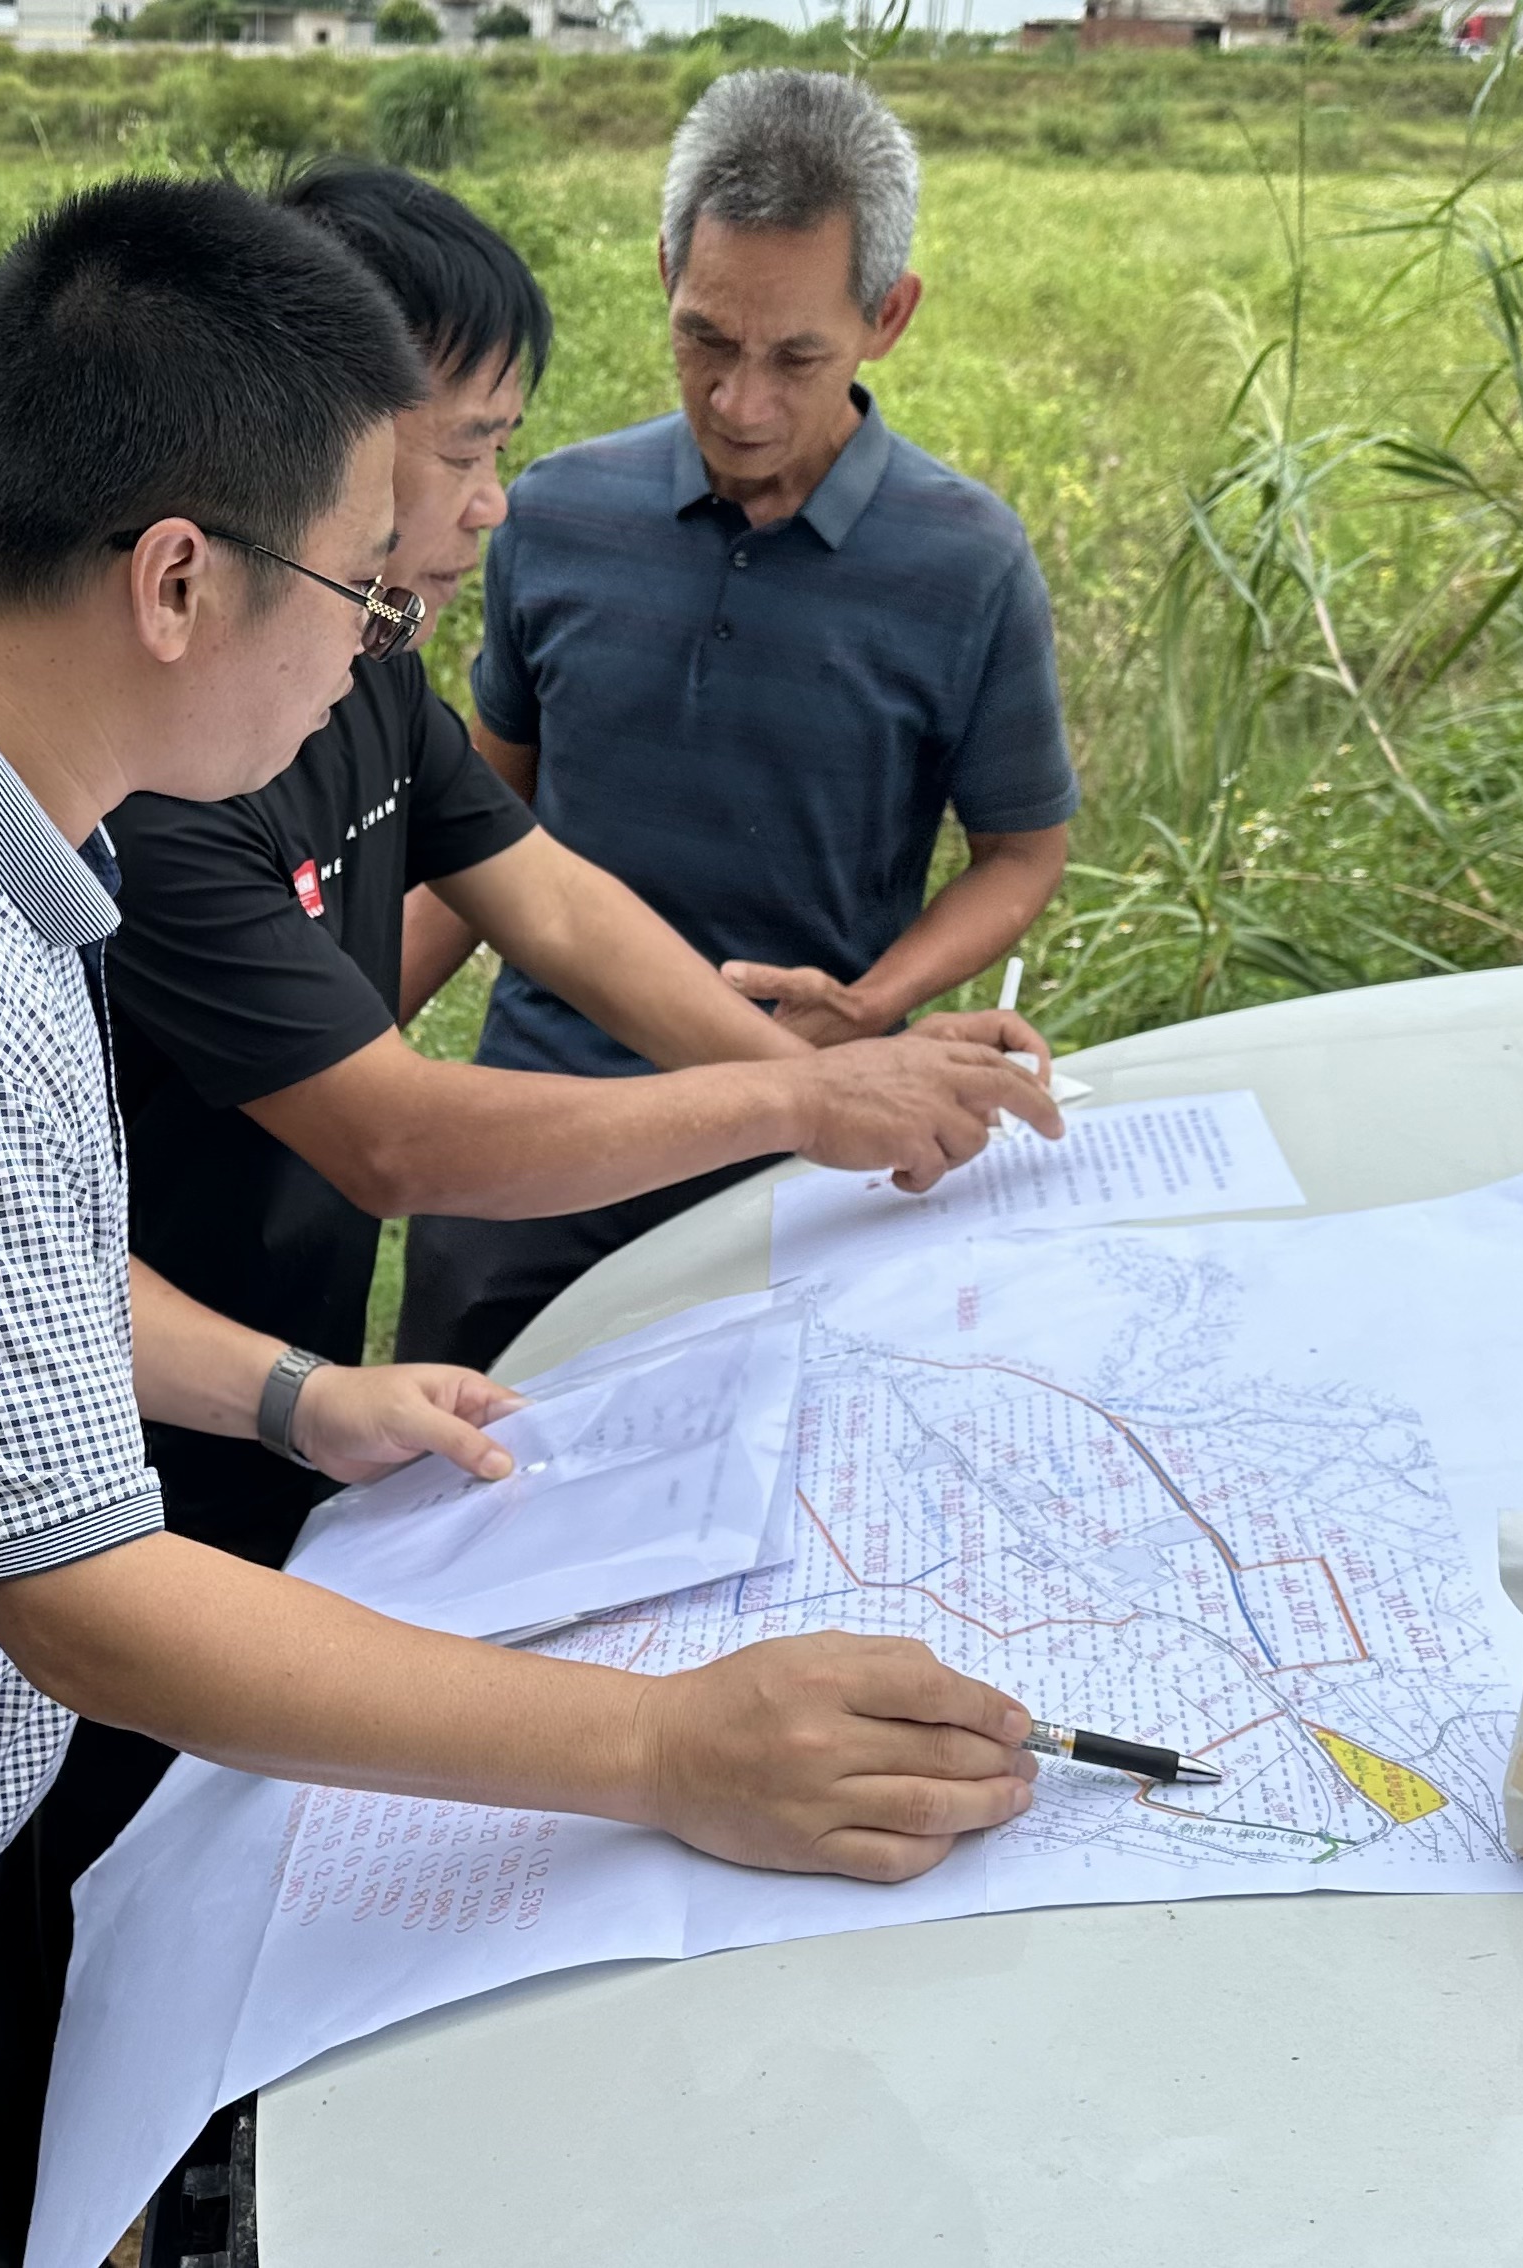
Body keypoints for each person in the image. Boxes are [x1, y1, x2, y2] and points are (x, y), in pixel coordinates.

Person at [0, 177, 1045, 2268]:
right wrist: (666, 1747)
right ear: (176, 580)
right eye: (363, 592)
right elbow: (84, 1607)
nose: (382, 643)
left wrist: (287, 1394)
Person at [0, 160, 1065, 2265]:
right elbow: (395, 1137)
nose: (482, 512)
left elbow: (539, 889)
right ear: (306, 453)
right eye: (453, 458)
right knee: (74, 1845)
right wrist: (798, 1098)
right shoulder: (152, 768)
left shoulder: (350, 666)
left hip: (248, 1363)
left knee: (222, 1824)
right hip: (95, 1407)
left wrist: (815, 1092)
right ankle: (48, 2197)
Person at [396, 68, 1082, 1372]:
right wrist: (328, 1054)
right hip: (539, 1138)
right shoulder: (552, 516)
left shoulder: (968, 564)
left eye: (796, 357)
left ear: (888, 316)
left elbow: (1021, 854)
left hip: (807, 1148)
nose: (740, 403)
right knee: (449, 1454)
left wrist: (868, 1006)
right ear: (666, 273)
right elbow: (483, 819)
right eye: (706, 339)